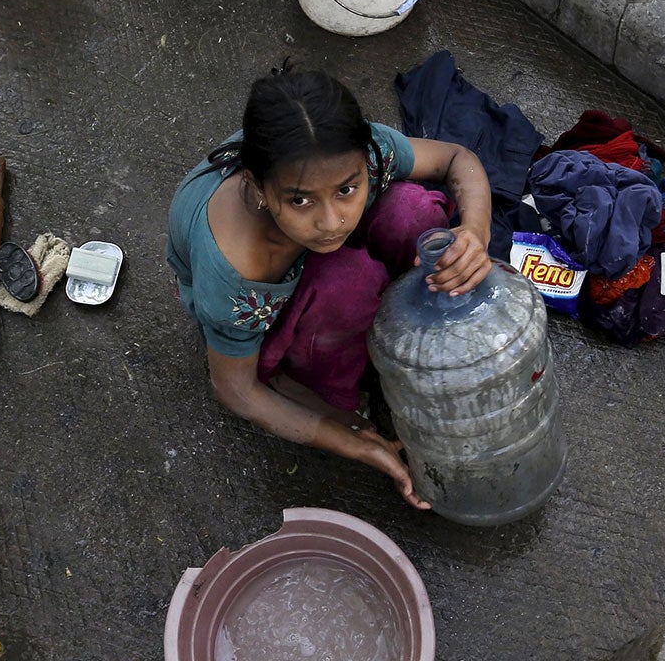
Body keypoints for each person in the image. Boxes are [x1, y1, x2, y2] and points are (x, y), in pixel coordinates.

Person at [168, 67, 495, 507]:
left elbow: (457, 159)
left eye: (347, 189)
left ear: (364, 160)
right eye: (300, 199)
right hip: (264, 319)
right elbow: (236, 389)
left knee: (412, 211)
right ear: (258, 189)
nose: (331, 220)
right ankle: (323, 383)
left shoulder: (353, 153)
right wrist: (354, 440)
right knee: (348, 285)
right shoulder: (236, 275)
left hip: (307, 245)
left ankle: (404, 319)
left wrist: (475, 232)